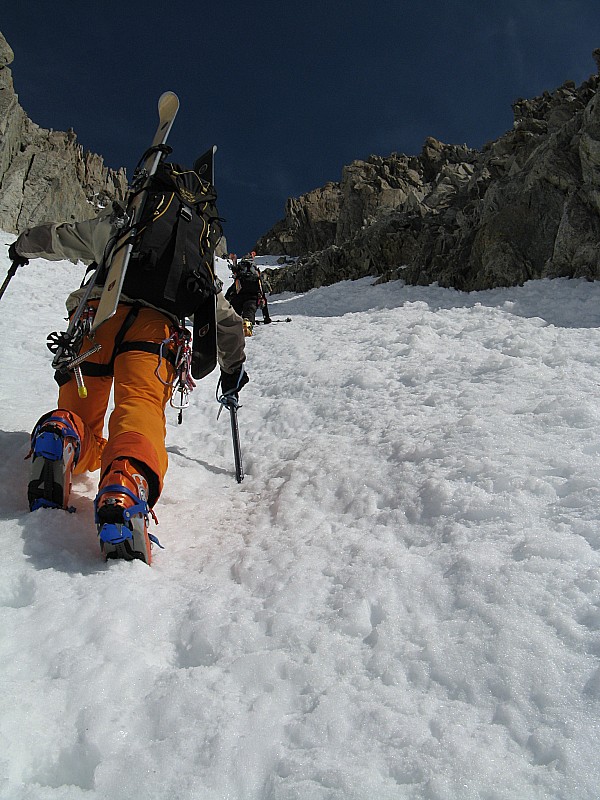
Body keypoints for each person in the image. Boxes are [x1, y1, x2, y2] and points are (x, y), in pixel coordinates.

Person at [8, 206, 248, 566]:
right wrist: (232, 371)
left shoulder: (121, 224)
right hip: (154, 334)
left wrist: (21, 248)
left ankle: (62, 431)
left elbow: (60, 236)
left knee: (80, 414)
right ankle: (126, 481)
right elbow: (225, 322)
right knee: (139, 411)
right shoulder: (193, 253)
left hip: (95, 317)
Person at [225, 254, 270, 335]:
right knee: (249, 311)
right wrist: (266, 317)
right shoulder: (256, 277)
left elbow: (231, 290)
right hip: (253, 297)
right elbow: (262, 294)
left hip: (238, 296)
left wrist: (225, 301)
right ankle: (247, 323)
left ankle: (231, 326)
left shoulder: (241, 276)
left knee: (234, 312)